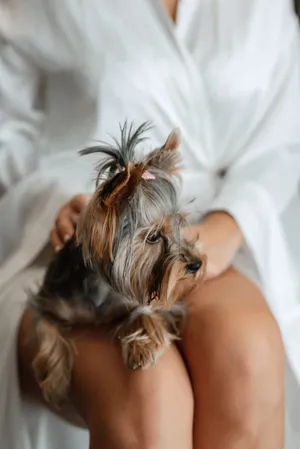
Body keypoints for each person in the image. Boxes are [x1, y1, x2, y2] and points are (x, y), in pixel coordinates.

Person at [1, 0, 300, 448]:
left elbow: (285, 138)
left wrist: (229, 222)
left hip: (212, 227)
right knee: (147, 393)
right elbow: (7, 132)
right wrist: (60, 205)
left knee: (247, 353)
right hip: (68, 247)